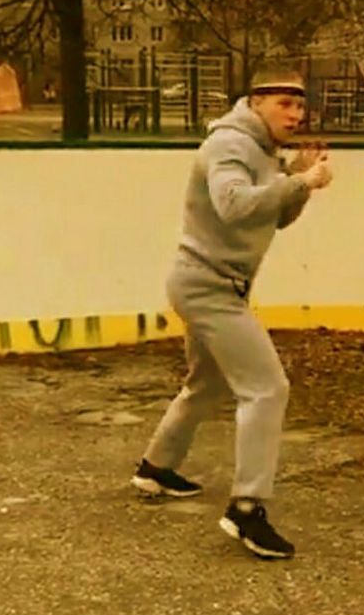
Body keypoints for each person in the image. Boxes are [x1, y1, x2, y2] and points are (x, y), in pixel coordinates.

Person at [131, 64, 332, 560]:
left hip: (214, 284)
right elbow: (234, 205)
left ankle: (155, 468)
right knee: (267, 387)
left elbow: (276, 217)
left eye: (301, 105)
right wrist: (299, 179)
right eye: (285, 103)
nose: (296, 113)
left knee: (208, 383)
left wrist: (296, 183)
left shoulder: (263, 152)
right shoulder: (230, 144)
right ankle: (246, 509)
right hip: (207, 285)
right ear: (256, 101)